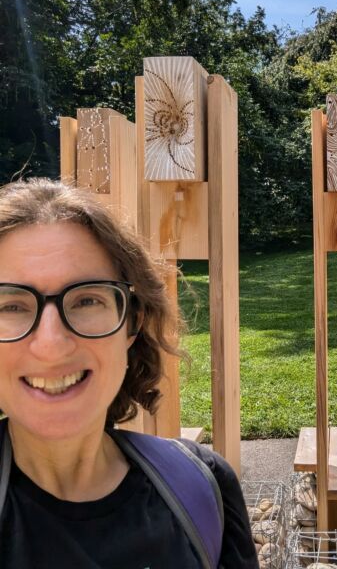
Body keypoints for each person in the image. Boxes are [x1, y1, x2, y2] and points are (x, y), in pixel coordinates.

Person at [0, 178, 259, 568]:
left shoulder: (201, 486)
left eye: (87, 299)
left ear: (132, 323)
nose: (51, 345)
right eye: (11, 306)